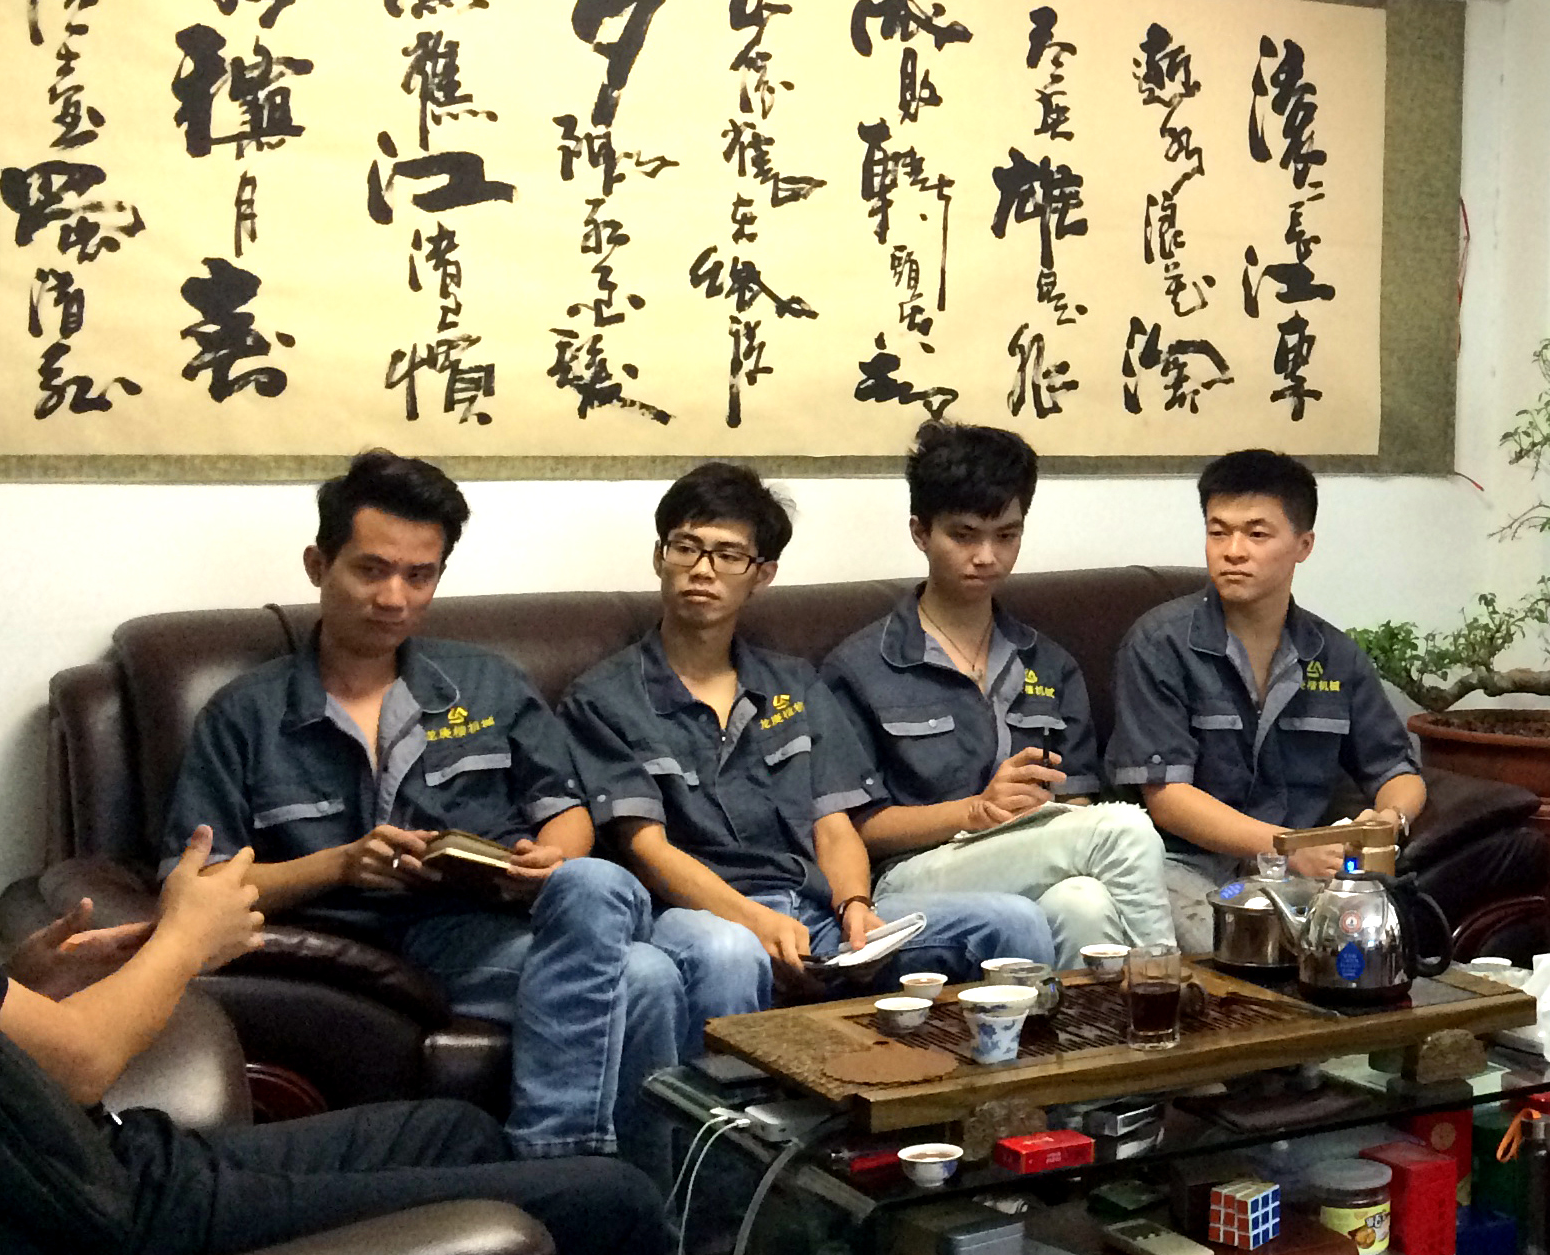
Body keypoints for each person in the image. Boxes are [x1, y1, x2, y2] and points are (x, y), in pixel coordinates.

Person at [0, 839, 676, 1255]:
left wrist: (17, 987)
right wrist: (186, 939)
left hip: (109, 1157)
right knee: (614, 1208)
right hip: (96, 1223)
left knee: (455, 1129)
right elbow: (83, 1061)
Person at [165, 450, 681, 1159]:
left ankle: (601, 1191)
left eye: (420, 575)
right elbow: (195, 885)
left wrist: (546, 859)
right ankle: (577, 1178)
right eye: (371, 570)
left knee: (593, 882)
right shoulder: (244, 714)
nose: (395, 598)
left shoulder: (488, 682)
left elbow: (564, 808)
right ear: (318, 564)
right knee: (646, 975)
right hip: (360, 952)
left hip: (487, 927)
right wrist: (339, 865)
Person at [562, 463, 1057, 1025]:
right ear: (660, 557)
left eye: (728, 555)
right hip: (695, 917)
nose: (703, 569)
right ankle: (723, 1089)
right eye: (686, 548)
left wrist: (855, 907)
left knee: (1012, 922)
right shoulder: (604, 698)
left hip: (816, 911)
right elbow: (645, 849)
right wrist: (753, 920)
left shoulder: (794, 683)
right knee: (729, 952)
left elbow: (834, 824)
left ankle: (1031, 1081)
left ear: (763, 574)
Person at [822, 423, 1177, 965]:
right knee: (1126, 828)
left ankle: (1090, 1022)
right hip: (914, 873)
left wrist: (1037, 812)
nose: (987, 556)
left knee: (1083, 903)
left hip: (1034, 852)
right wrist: (976, 810)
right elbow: (857, 827)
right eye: (964, 536)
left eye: (1006, 535)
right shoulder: (862, 666)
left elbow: (1077, 799)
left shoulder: (1050, 663)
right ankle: (1164, 987)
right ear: (921, 532)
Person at [1109, 449, 1424, 946]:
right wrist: (1287, 847)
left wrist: (1387, 822)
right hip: (1183, 867)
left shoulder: (1333, 655)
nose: (1233, 551)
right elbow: (1167, 799)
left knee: (1372, 942)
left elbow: (1396, 770)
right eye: (1218, 532)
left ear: (1303, 545)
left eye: (1256, 534)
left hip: (1300, 874)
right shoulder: (1159, 643)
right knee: (1245, 943)